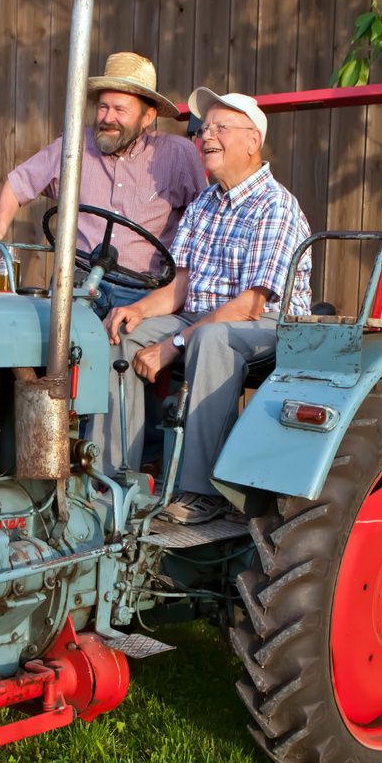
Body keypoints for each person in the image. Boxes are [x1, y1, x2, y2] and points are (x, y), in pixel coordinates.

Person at [94, 88, 312, 525]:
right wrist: (139, 310)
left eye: (219, 128)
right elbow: (182, 288)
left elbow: (250, 305)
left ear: (252, 141)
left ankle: (202, 491)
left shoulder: (275, 206)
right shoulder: (204, 205)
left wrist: (175, 342)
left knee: (211, 340)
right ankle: (111, 479)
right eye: (204, 128)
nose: (205, 135)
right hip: (204, 317)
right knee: (121, 330)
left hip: (269, 326)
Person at [0, 53, 207, 311]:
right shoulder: (74, 145)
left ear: (147, 117)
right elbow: (18, 183)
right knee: (45, 335)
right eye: (103, 107)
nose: (107, 118)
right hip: (78, 284)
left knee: (135, 342)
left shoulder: (178, 154)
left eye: (120, 110)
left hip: (144, 291)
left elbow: (207, 220)